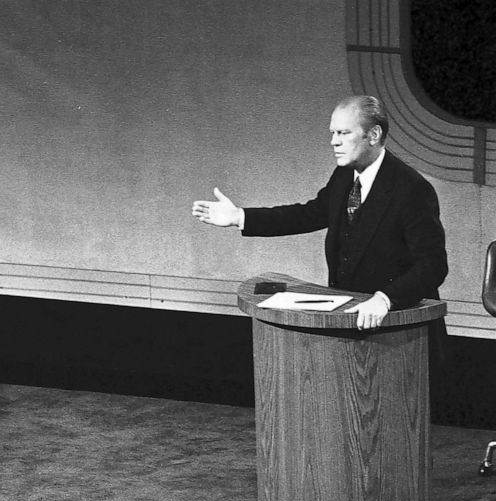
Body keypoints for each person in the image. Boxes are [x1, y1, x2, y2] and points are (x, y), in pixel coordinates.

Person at [191, 95, 447, 331]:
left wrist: (386, 299)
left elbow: (433, 265)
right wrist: (240, 217)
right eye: (333, 133)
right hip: (349, 320)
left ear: (374, 134)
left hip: (403, 329)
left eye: (344, 133)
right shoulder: (345, 174)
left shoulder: (411, 188)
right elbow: (310, 213)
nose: (333, 141)